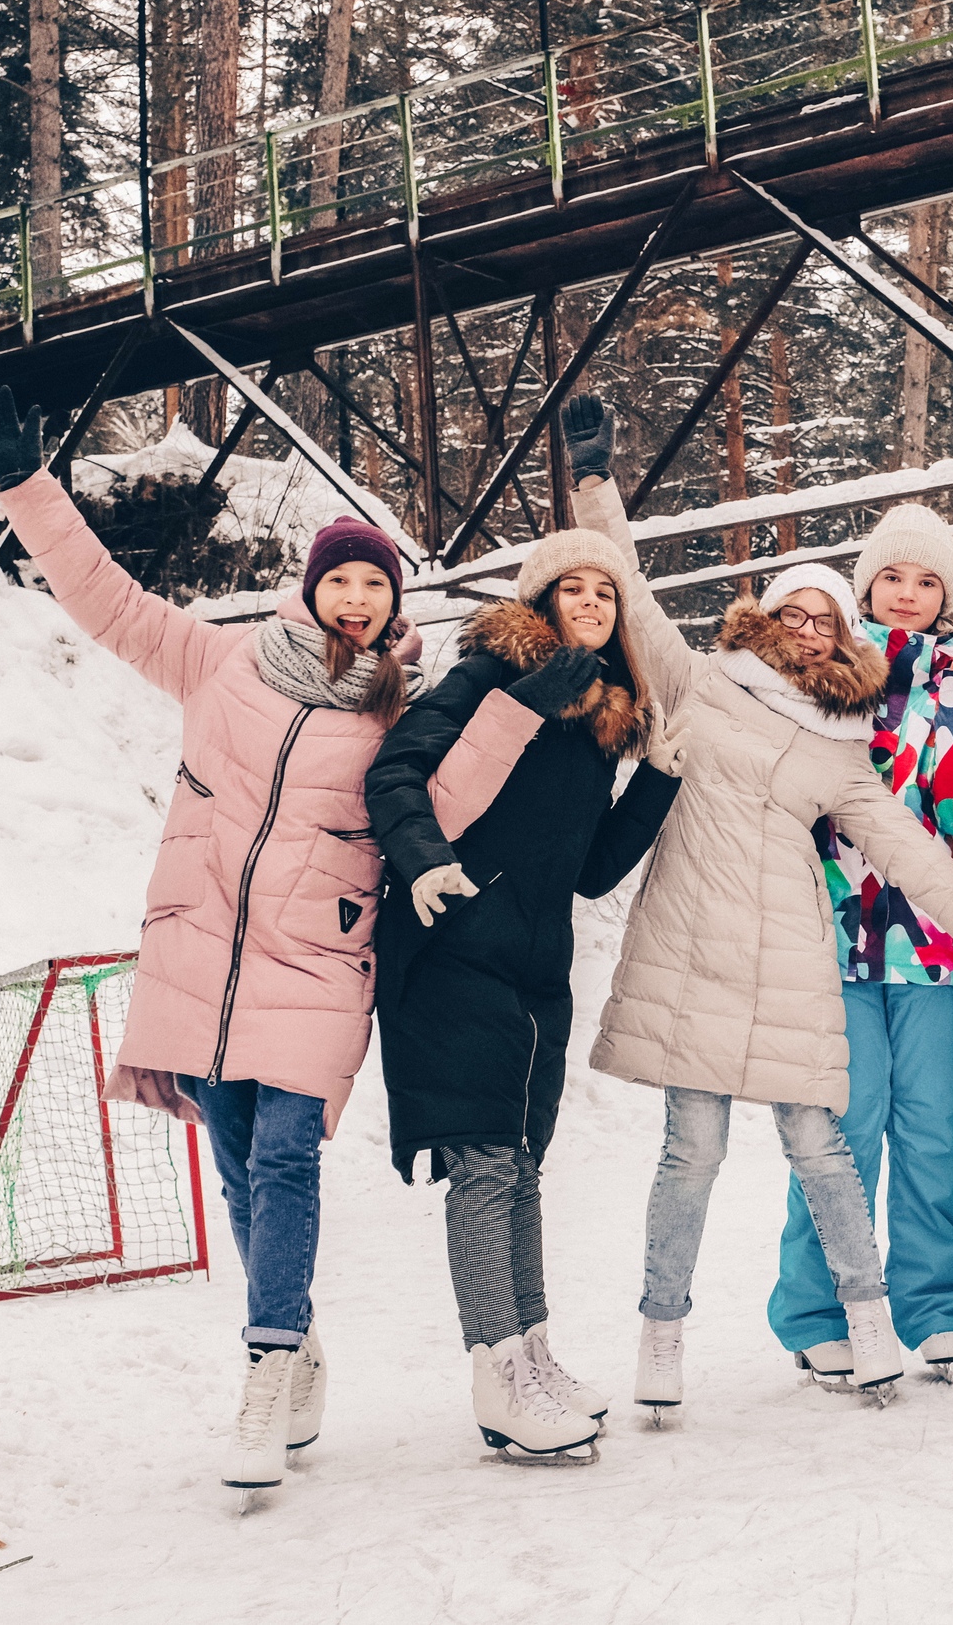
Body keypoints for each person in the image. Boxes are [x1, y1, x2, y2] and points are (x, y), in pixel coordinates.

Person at [0, 386, 438, 1491]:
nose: (358, 600)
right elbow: (107, 600)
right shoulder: (223, 663)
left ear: (392, 602)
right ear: (312, 586)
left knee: (283, 1154)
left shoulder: (401, 713)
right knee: (235, 1159)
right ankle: (299, 1329)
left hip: (319, 962)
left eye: (377, 584)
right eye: (343, 579)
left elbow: (465, 783)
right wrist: (26, 486)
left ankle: (266, 1369)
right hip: (202, 953)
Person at [558, 401, 953, 1409]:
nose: (811, 629)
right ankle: (740, 1325)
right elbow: (634, 594)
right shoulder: (705, 685)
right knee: (752, 1144)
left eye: (825, 621)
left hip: (860, 957)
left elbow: (923, 848)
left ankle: (903, 1313)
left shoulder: (854, 740)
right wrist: (594, 484)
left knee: (874, 1139)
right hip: (754, 948)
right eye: (796, 611)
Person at [363, 519, 682, 1462]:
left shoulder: (596, 718)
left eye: (605, 593)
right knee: (486, 1168)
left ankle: (533, 1353)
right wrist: (422, 862)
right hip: (450, 946)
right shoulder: (484, 677)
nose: (591, 603)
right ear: (539, 604)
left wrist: (657, 782)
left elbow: (588, 872)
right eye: (572, 589)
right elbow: (397, 771)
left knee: (522, 1165)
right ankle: (496, 1373)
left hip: (538, 972)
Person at [765, 502, 953, 1385]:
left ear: (946, 595)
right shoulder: (821, 663)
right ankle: (819, 1308)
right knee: (842, 1132)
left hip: (938, 942)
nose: (907, 594)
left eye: (928, 581)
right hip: (832, 936)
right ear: (865, 585)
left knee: (935, 1130)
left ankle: (934, 1305)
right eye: (892, 577)